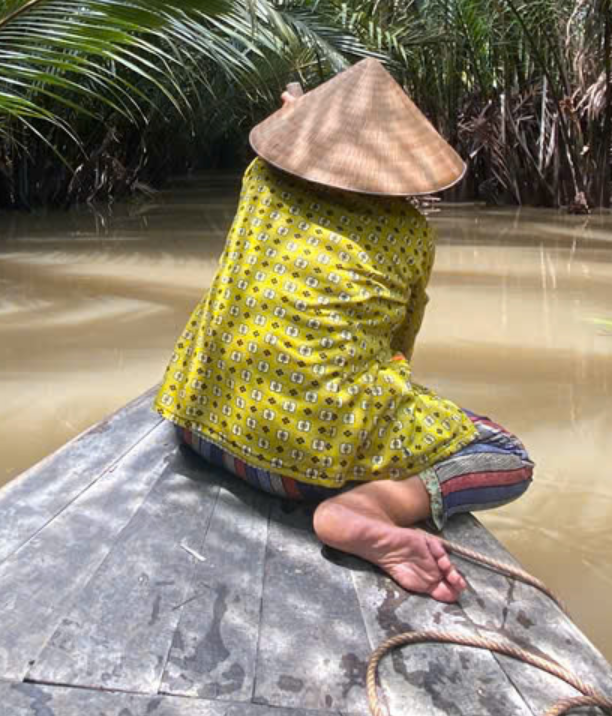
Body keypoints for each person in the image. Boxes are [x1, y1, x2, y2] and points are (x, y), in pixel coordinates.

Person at [155, 59, 535, 603]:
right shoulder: (409, 233)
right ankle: (369, 506)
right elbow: (398, 353)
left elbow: (274, 148)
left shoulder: (259, 181)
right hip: (298, 474)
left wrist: (297, 113)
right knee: (506, 455)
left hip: (198, 428)